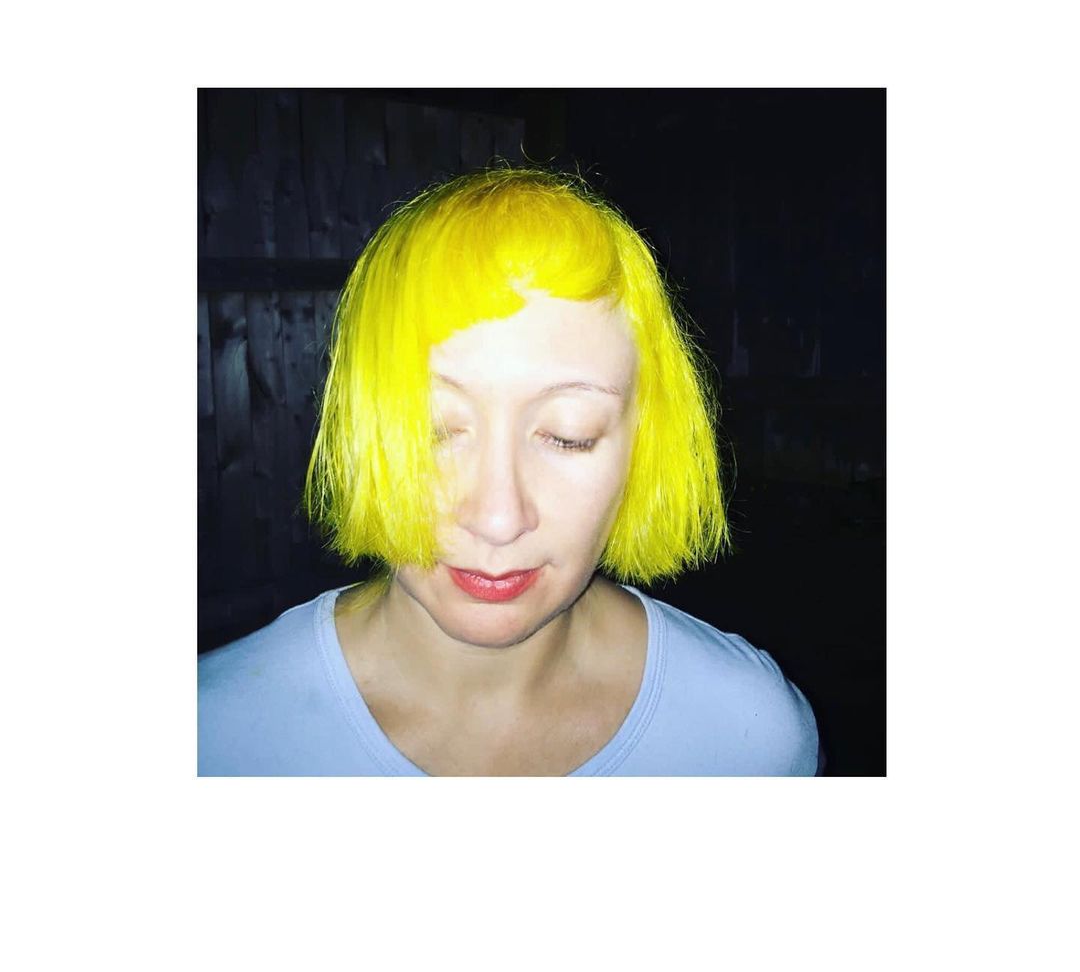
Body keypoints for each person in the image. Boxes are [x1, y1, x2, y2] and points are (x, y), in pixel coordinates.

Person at [198, 167, 820, 776]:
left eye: (569, 435)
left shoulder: (749, 738)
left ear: (646, 447)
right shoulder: (213, 740)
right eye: (433, 431)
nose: (498, 520)